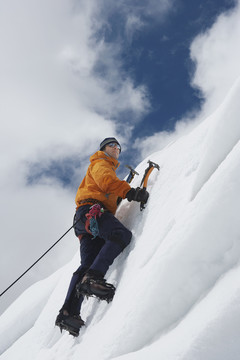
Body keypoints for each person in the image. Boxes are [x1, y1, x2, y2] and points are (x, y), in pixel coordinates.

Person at [55, 137, 149, 336]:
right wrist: (131, 193)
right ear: (103, 149)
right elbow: (107, 182)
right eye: (111, 145)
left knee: (87, 264)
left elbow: (109, 190)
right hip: (92, 211)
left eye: (118, 146)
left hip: (84, 218)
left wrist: (123, 190)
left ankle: (68, 313)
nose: (116, 148)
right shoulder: (100, 163)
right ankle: (93, 279)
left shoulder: (103, 167)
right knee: (120, 235)